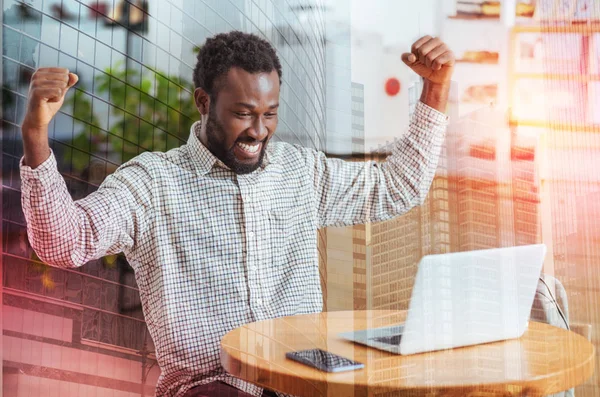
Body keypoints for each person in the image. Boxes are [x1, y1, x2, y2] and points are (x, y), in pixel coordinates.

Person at [20, 31, 454, 397]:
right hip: (212, 385)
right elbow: (64, 243)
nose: (258, 130)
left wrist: (435, 91)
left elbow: (399, 188)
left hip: (302, 379)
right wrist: (37, 136)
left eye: (269, 114)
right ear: (204, 102)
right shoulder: (153, 183)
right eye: (243, 114)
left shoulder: (300, 171)